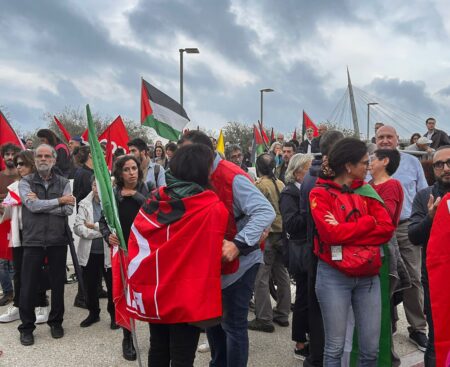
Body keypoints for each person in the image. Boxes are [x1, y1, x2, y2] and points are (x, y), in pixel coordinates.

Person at [125, 144, 228, 367]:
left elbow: (138, 236)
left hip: (157, 289)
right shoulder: (211, 206)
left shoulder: (154, 199)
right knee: (182, 356)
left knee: (158, 347)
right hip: (187, 294)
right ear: (203, 171)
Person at [180, 131, 275, 367]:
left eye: (190, 153)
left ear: (206, 152)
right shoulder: (195, 174)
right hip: (212, 262)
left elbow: (265, 212)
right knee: (212, 319)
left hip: (241, 262)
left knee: (233, 324)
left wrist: (239, 244)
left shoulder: (232, 176)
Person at [310, 138, 395, 366]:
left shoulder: (367, 191)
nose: (368, 167)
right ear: (349, 166)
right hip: (333, 276)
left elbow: (386, 230)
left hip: (368, 276)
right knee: (334, 349)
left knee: (370, 350)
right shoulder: (320, 194)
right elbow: (329, 235)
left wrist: (346, 229)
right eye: (364, 163)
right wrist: (368, 223)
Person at [376, 125, 429, 351]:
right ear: (375, 140)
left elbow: (423, 193)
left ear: (398, 139)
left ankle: (417, 328)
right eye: (381, 137)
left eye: (390, 137)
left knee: (414, 278)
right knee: (384, 278)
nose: (385, 141)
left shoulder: (412, 163)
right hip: (378, 230)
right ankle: (388, 323)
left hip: (406, 227)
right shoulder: (368, 163)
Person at [18, 144, 75, 346]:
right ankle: (26, 328)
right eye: (39, 156)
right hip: (33, 240)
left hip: (57, 240)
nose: (43, 159)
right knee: (28, 286)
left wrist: (42, 205)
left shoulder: (63, 181)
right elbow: (31, 206)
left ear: (54, 159)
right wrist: (59, 200)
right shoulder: (25, 182)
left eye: (47, 156)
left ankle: (56, 322)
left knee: (58, 285)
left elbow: (69, 210)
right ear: (34, 159)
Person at [299, 130, 344, 367]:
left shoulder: (310, 175)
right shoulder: (321, 179)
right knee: (323, 309)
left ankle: (317, 356)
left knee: (318, 307)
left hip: (314, 249)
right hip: (323, 251)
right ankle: (319, 358)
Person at [100, 155, 149, 361]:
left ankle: (158, 335)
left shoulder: (147, 190)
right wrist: (107, 235)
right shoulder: (113, 195)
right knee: (124, 296)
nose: (131, 172)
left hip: (144, 252)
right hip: (122, 253)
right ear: (119, 173)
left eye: (134, 168)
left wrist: (136, 196)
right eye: (127, 169)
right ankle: (127, 337)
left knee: (148, 295)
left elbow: (154, 212)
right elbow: (103, 221)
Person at [409, 146, 450, 367]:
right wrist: (431, 217)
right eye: (439, 164)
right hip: (437, 280)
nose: (445, 168)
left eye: (449, 163)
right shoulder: (425, 196)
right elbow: (413, 236)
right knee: (438, 338)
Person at [0, 150, 50, 325]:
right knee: (19, 272)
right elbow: (7, 215)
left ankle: (41, 304)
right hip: (19, 234)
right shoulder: (13, 187)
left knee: (38, 270)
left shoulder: (42, 185)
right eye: (17, 164)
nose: (18, 167)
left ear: (32, 164)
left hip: (37, 234)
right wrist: (5, 206)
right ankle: (19, 305)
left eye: (22, 164)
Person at [249, 153, 290, 333]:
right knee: (281, 273)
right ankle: (282, 313)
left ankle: (264, 317)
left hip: (268, 234)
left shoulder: (259, 186)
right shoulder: (280, 183)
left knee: (261, 276)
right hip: (282, 233)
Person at [279, 153, 313, 360]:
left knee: (310, 296)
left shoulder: (303, 191)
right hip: (299, 252)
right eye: (309, 168)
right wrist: (311, 208)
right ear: (298, 171)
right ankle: (300, 343)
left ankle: (309, 335)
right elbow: (291, 224)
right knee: (302, 298)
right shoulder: (289, 193)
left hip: (308, 250)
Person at [74, 177, 116, 329]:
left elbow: (114, 228)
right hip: (90, 253)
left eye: (100, 185)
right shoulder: (84, 203)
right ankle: (93, 313)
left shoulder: (113, 203)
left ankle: (114, 315)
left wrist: (94, 226)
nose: (97, 188)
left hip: (108, 252)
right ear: (91, 186)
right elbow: (78, 228)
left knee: (112, 287)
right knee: (90, 286)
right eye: (94, 185)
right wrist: (101, 231)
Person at [0, 143, 21, 306]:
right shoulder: (0, 176)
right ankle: (8, 292)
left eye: (12, 154)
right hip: (1, 223)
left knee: (16, 259)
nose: (9, 157)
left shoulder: (23, 177)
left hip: (18, 223)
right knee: (1, 261)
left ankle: (21, 292)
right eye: (7, 154)